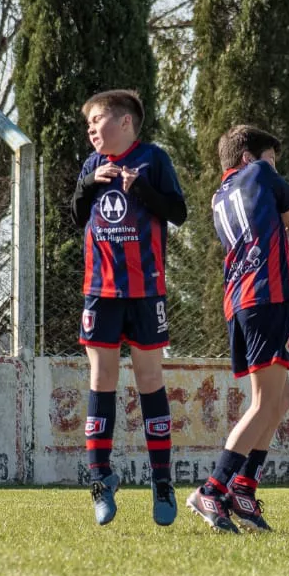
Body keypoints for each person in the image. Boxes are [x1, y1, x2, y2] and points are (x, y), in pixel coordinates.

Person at [186, 125, 289, 533]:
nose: (275, 167)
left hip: (241, 301)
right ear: (249, 159)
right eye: (271, 159)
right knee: (264, 402)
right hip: (267, 296)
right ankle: (213, 488)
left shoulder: (220, 197)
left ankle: (243, 488)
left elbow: (272, 238)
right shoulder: (259, 174)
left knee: (280, 398)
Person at [72, 89, 188, 526]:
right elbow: (76, 214)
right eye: (88, 124)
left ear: (124, 123)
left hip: (146, 292)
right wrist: (88, 184)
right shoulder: (91, 165)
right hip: (100, 292)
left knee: (150, 381)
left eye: (97, 119)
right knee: (101, 380)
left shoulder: (154, 159)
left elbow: (178, 212)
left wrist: (139, 187)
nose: (91, 129)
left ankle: (161, 481)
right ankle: (101, 480)